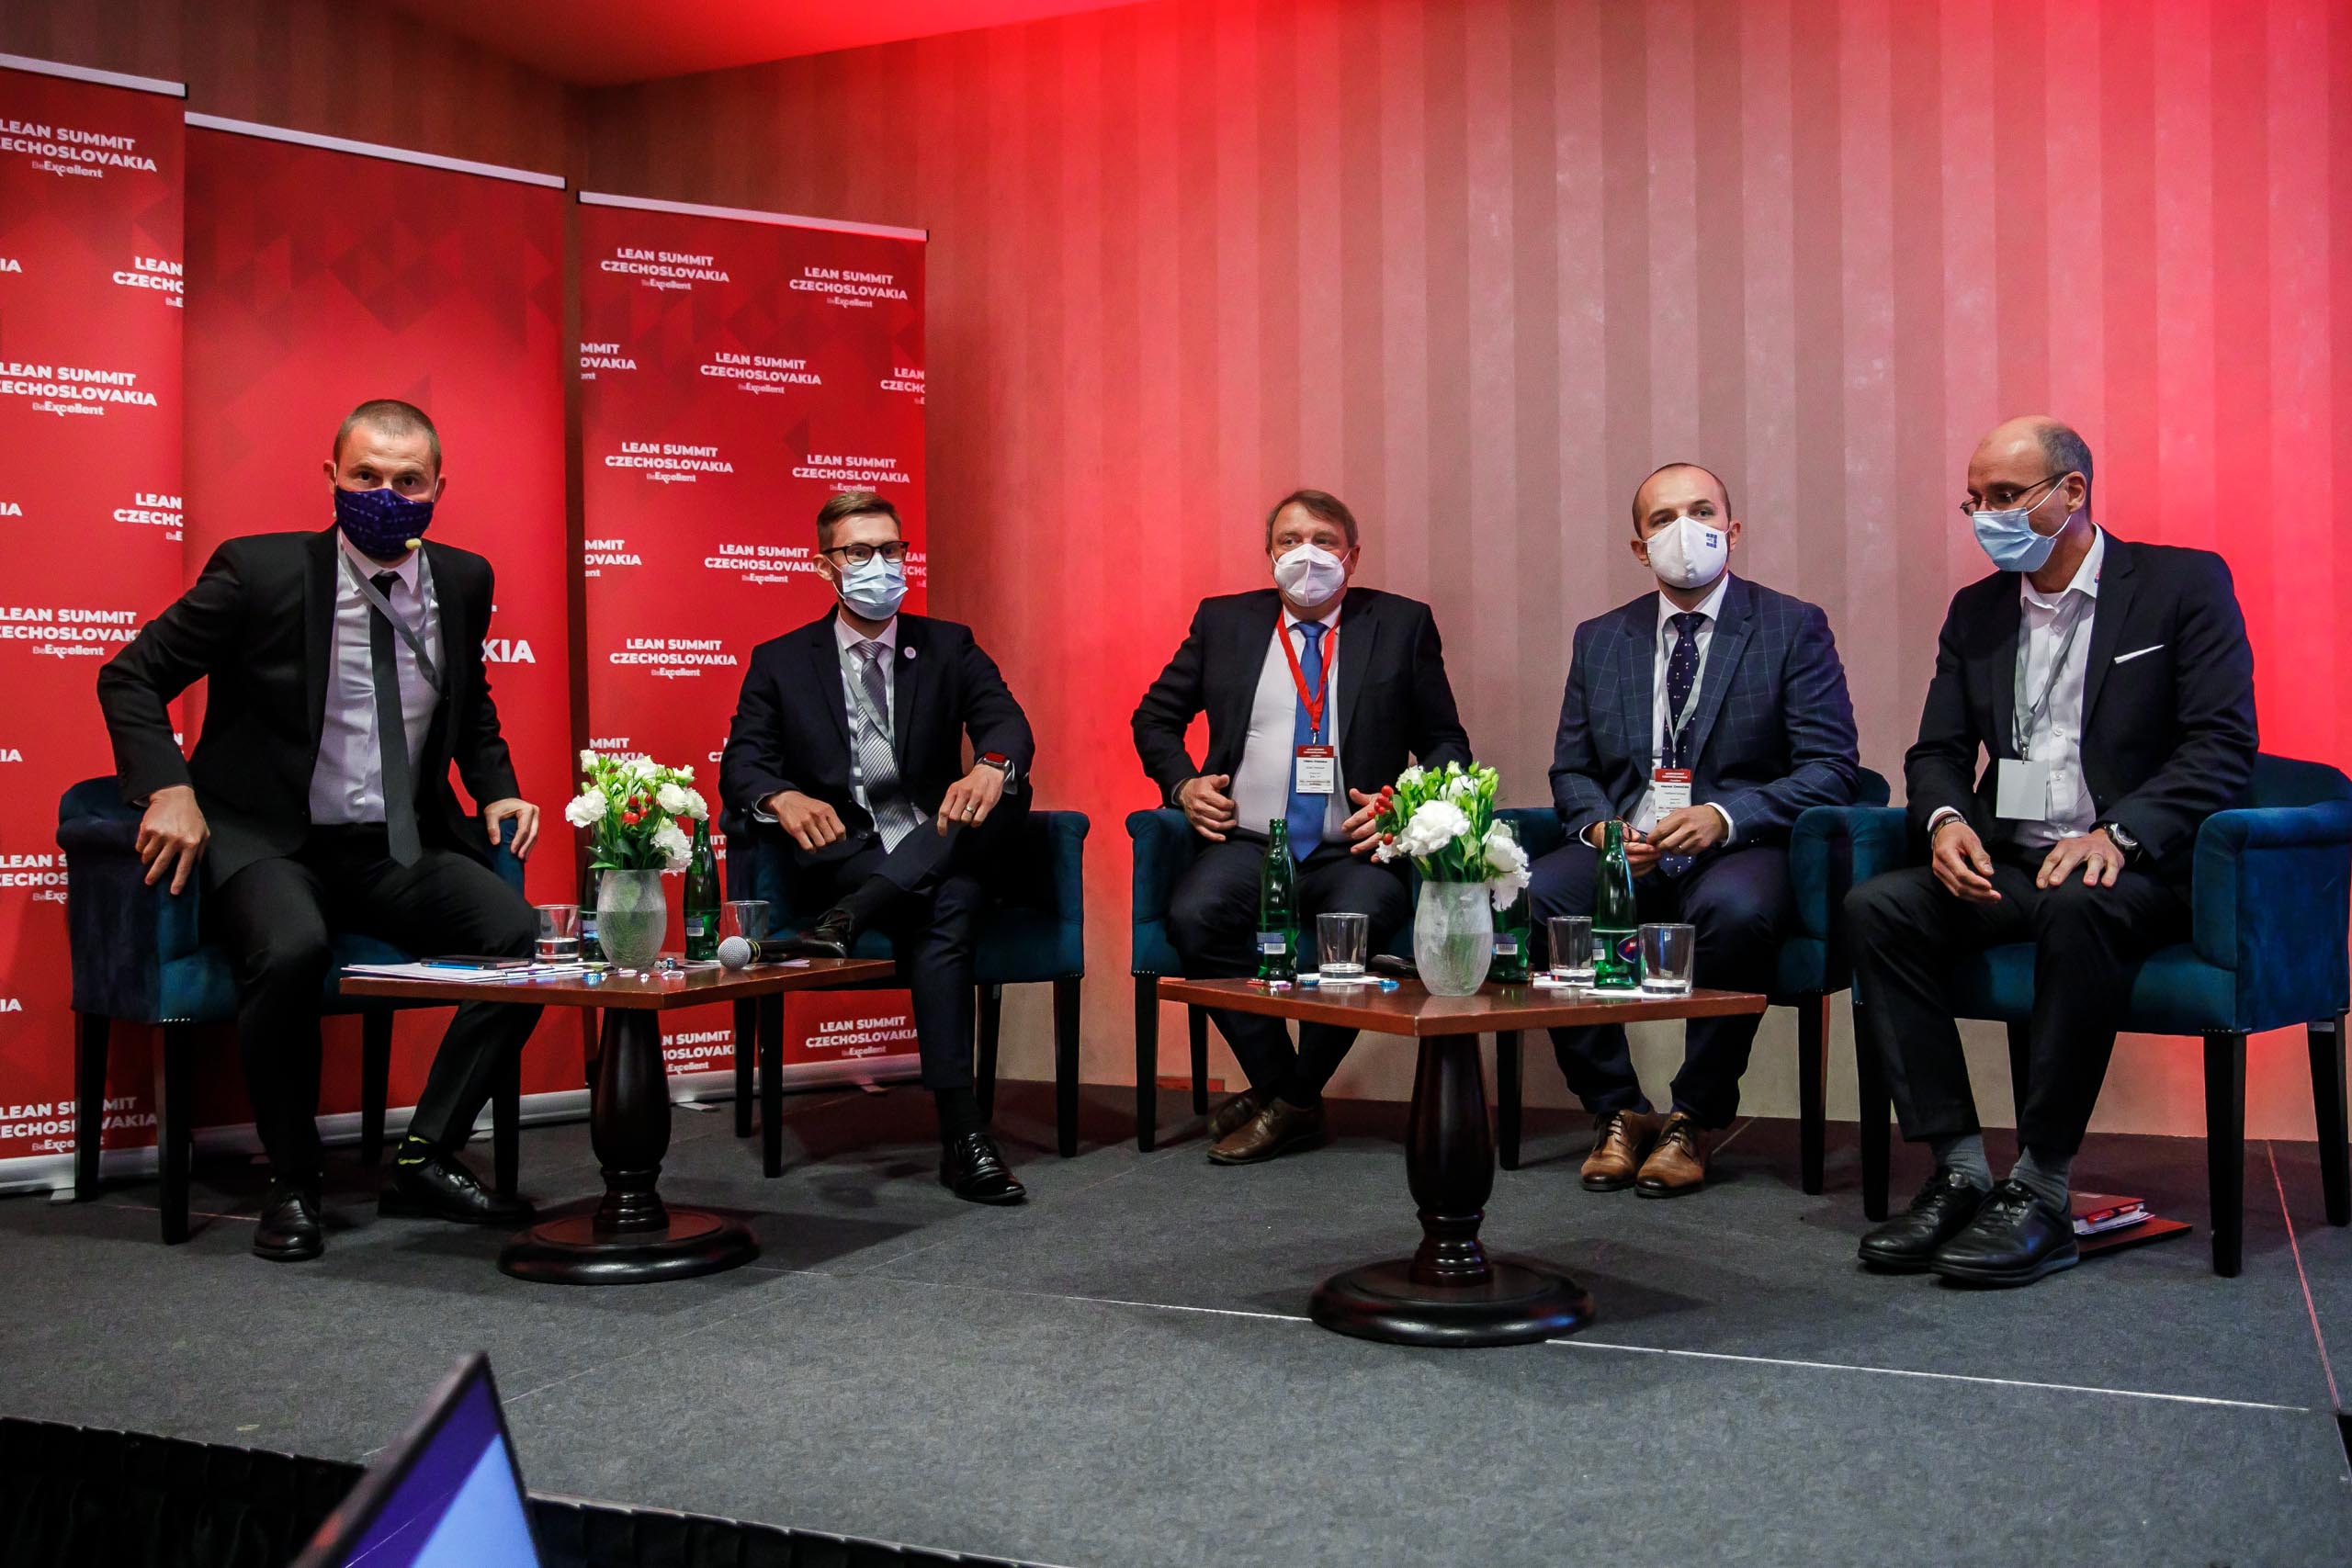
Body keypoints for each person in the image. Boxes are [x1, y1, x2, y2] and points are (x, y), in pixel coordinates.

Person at [96, 399, 544, 1263]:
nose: (386, 495)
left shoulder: (463, 580)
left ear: (438, 489)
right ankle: (294, 1180)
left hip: (393, 845)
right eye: (366, 475)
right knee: (293, 948)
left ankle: (426, 1153)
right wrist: (169, 787)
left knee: (517, 939)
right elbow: (130, 677)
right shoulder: (259, 573)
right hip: (267, 838)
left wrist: (496, 788)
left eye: (407, 481)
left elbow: (469, 699)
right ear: (332, 476)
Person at [1846, 416, 2257, 1286]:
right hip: (2015, 859)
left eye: (2006, 496)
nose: (1987, 517)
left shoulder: (2181, 586)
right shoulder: (1978, 612)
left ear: (2073, 492)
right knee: (1878, 908)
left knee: (2080, 902)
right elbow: (1937, 751)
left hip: (2136, 869)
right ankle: (1960, 1172)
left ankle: (2039, 1188)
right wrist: (1945, 821)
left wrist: (2121, 833)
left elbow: (2220, 746)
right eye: (1975, 501)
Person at [1532, 464, 1859, 1197]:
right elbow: (1572, 768)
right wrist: (1601, 831)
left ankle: (1694, 1117)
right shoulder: (1600, 638)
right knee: (1544, 897)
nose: (1685, 529)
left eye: (1701, 511)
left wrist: (1723, 816)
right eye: (1662, 518)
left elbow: (1832, 768)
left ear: (1732, 530)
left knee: (1735, 909)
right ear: (1639, 547)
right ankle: (1618, 1108)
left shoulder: (1791, 625)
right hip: (1631, 850)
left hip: (1739, 846)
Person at [1132, 489, 1472, 1164]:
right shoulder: (1225, 621)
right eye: (1289, 540)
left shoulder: (1400, 624)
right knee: (1195, 916)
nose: (1306, 554)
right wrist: (1183, 785)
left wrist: (1405, 809)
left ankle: (1287, 1101)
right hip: (1252, 840)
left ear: (1353, 555)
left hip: (1355, 849)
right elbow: (1155, 717)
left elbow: (1446, 744)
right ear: (1268, 555)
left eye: (1323, 540)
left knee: (1359, 924)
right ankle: (1290, 1092)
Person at [718, 491, 1035, 1204]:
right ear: (824, 567)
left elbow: (1006, 722)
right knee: (950, 899)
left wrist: (989, 764)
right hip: (853, 848)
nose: (880, 565)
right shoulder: (780, 661)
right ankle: (965, 1138)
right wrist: (781, 796)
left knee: (1008, 788)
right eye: (859, 552)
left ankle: (855, 916)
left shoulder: (948, 644)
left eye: (891, 550)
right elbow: (742, 763)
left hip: (940, 829)